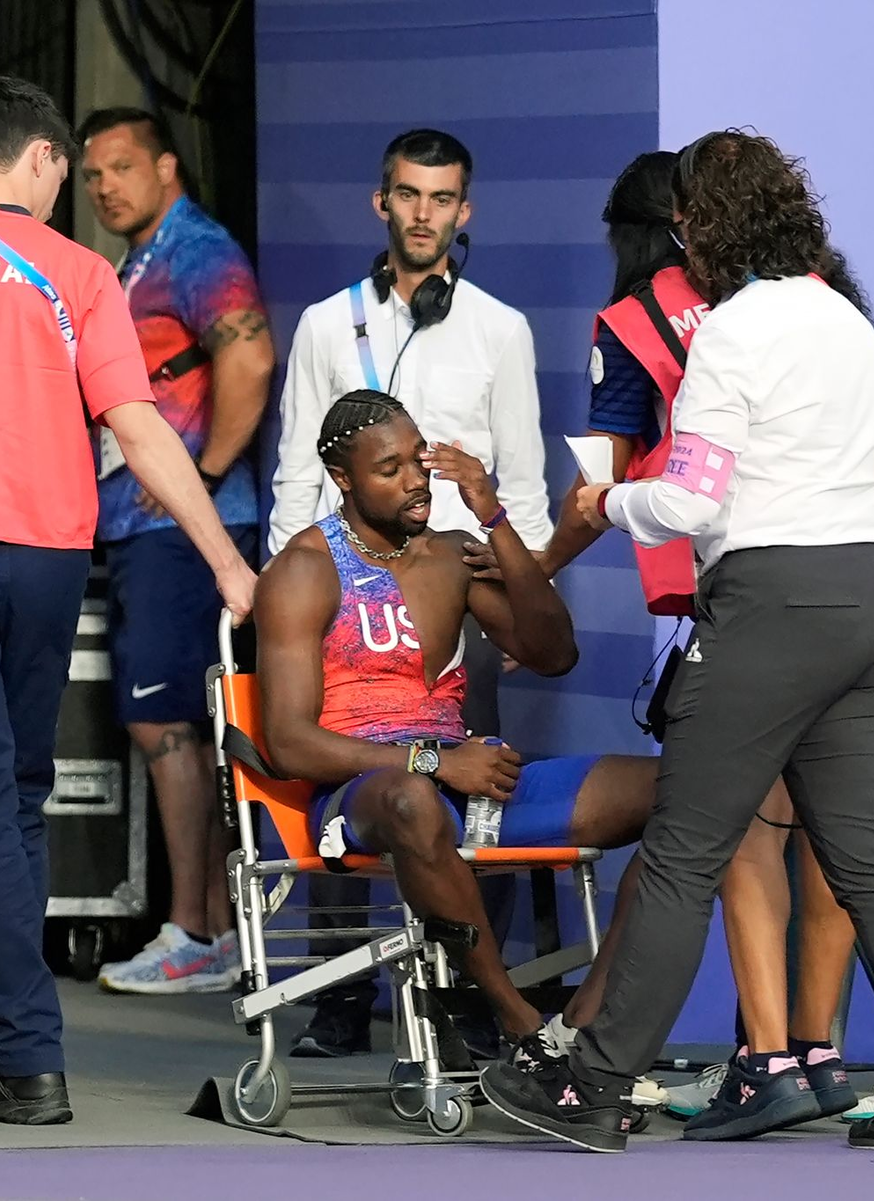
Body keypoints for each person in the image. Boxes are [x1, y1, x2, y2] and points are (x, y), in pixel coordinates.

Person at [479, 131, 874, 1154]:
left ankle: (593, 1083)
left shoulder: (730, 332)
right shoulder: (842, 315)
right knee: (869, 860)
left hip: (770, 606)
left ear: (701, 228)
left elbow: (692, 498)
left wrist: (613, 500)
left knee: (680, 853)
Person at [255, 389, 655, 1069]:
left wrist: (495, 518)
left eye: (419, 461)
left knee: (688, 793)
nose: (415, 481)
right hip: (367, 791)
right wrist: (431, 763)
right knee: (412, 801)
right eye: (390, 469)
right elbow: (289, 741)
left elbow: (554, 653)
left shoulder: (451, 554)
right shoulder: (303, 568)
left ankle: (583, 1022)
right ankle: (517, 1019)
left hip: (469, 783)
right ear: (343, 479)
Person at [0, 75, 254, 1126]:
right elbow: (142, 429)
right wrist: (227, 561)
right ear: (45, 160)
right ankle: (29, 1063)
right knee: (18, 794)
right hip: (48, 558)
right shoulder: (80, 274)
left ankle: (27, 1050)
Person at [269, 129, 553, 1055]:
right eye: (408, 195)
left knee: (476, 782)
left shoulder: (499, 329)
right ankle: (344, 996)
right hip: (339, 585)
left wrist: (520, 589)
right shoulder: (325, 323)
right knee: (348, 769)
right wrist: (283, 588)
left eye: (442, 199)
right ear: (380, 202)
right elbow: (294, 478)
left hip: (458, 593)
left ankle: (467, 1000)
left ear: (463, 212)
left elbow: (528, 484)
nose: (423, 213)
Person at [75, 107, 274, 995]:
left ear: (166, 166)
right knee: (171, 723)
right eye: (91, 176)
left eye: (120, 167)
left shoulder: (197, 249)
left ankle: (200, 930)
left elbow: (251, 359)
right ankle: (211, 927)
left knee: (170, 724)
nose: (105, 186)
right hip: (140, 526)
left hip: (185, 531)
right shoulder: (139, 261)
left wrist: (204, 468)